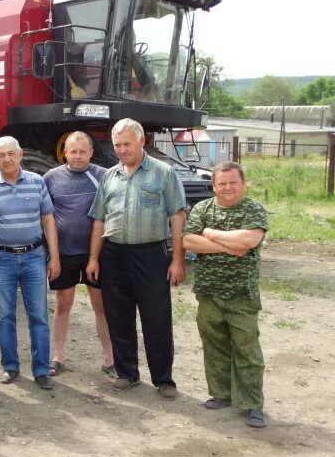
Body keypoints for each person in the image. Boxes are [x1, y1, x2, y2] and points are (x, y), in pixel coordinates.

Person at [86, 118, 186, 400]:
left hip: (150, 254)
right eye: (117, 145)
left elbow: (177, 217)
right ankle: (127, 373)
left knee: (157, 318)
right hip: (114, 255)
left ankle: (163, 379)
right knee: (118, 317)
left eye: (126, 144)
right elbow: (99, 220)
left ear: (142, 141)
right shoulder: (109, 176)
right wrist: (94, 259)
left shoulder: (163, 173)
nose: (121, 150)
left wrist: (177, 260)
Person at [182, 161, 269, 428]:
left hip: (241, 294)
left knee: (247, 350)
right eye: (222, 183)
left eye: (233, 182)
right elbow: (187, 241)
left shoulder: (253, 209)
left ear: (243, 183)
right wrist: (228, 246)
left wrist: (210, 234)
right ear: (214, 185)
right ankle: (221, 393)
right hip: (209, 293)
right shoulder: (202, 208)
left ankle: (253, 403)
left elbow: (249, 241)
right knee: (215, 346)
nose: (227, 188)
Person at [0, 136, 61, 390]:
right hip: (1, 259)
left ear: (21, 154)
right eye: (1, 155)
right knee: (4, 317)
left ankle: (42, 370)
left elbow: (48, 221)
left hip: (34, 257)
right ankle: (10, 367)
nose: (7, 159)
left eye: (11, 153)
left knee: (39, 317)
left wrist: (54, 257)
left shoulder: (36, 182)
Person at [43, 131, 114, 377]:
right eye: (73, 151)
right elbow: (45, 217)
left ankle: (109, 359)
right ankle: (58, 356)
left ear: (91, 153)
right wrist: (52, 256)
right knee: (63, 304)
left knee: (101, 305)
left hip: (97, 254)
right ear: (65, 152)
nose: (78, 156)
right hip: (64, 253)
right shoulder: (51, 178)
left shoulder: (103, 176)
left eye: (83, 151)